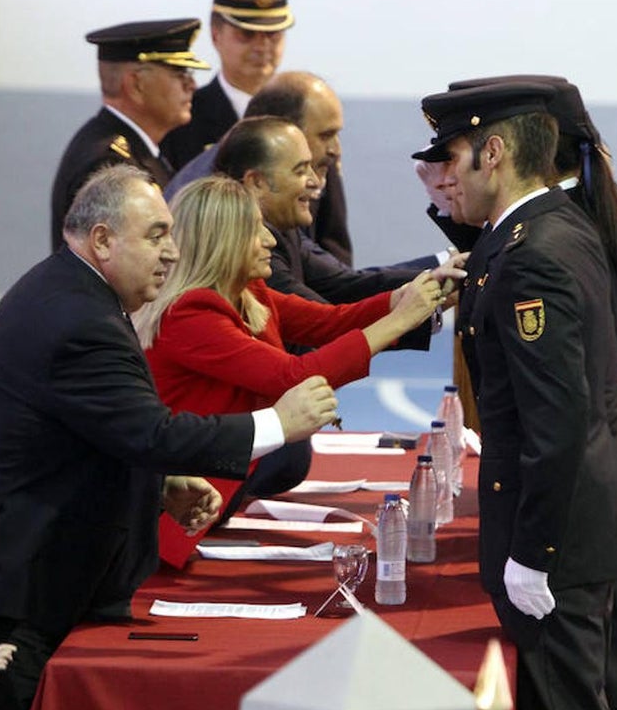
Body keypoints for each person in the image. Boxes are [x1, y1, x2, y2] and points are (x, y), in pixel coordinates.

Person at [0, 165, 338, 710]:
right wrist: (278, 423)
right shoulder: (77, 318)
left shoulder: (75, 293)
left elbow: (89, 429)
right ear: (104, 239)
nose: (171, 252)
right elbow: (150, 431)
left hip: (13, 561)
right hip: (1, 582)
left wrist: (159, 484)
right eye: (156, 235)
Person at [420, 80, 617, 710]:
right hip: (577, 523)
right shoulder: (535, 231)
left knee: (571, 709)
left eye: (452, 154)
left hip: (564, 538)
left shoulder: (536, 252)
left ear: (491, 153)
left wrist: (533, 554)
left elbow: (557, 419)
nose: (444, 172)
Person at [135, 175, 442, 561]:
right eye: (255, 231)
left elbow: (330, 322)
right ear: (222, 242)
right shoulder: (191, 313)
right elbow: (293, 378)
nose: (270, 241)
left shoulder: (247, 293)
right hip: (177, 500)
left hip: (216, 486)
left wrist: (399, 300)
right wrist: (398, 320)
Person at [211, 115, 461, 312]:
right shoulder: (247, 250)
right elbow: (324, 323)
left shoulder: (284, 230)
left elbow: (347, 284)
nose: (313, 181)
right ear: (255, 182)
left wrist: (441, 275)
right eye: (300, 171)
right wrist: (423, 298)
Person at [166, 72, 360, 266]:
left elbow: (335, 271)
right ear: (281, 132)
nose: (336, 150)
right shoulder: (211, 201)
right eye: (326, 135)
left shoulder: (315, 168)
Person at [49, 18, 210, 250]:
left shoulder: (138, 149)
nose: (191, 85)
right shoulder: (107, 163)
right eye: (179, 73)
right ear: (136, 85)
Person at [158, 0, 296, 171]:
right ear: (216, 35)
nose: (262, 45)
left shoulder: (300, 116)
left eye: (273, 34)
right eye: (246, 34)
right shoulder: (182, 120)